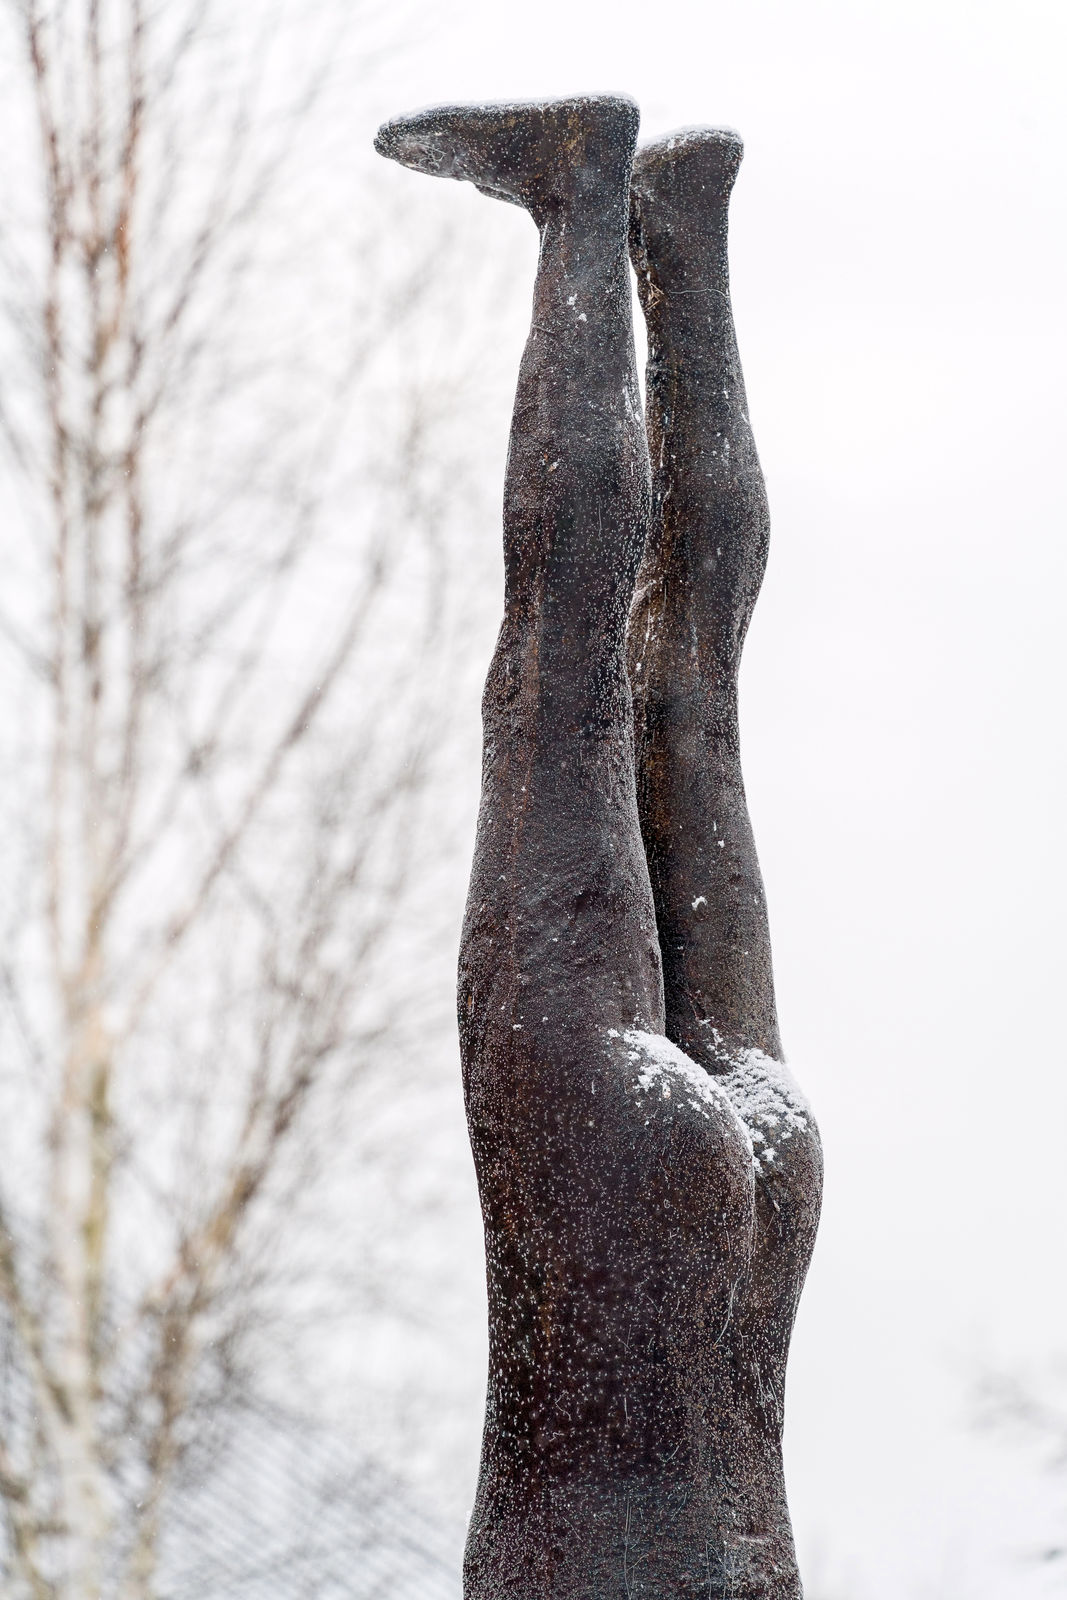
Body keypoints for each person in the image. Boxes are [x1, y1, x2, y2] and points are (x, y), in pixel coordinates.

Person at [375, 93, 822, 1600]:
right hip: (622, 1193)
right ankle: (605, 215)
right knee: (565, 692)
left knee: (688, 696)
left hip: (758, 1181)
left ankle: (658, 229)